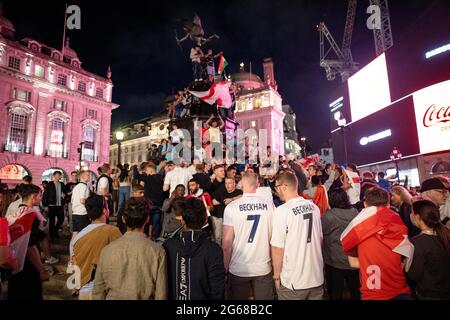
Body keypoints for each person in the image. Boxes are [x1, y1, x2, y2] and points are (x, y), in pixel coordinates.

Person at [340, 187, 414, 300]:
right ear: (388, 205)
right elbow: (404, 260)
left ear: (365, 204)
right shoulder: (399, 225)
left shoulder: (356, 231)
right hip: (399, 290)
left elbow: (353, 263)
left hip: (373, 292)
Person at [93, 198, 167, 300]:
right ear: (147, 219)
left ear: (123, 219)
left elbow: (98, 291)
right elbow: (161, 294)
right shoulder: (157, 251)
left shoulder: (107, 250)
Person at [271, 171, 324, 300]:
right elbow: (320, 239)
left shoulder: (281, 211)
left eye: (277, 187)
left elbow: (278, 248)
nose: (277, 191)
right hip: (316, 277)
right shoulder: (314, 207)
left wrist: (276, 275)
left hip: (294, 281)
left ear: (283, 187)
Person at [222, 172, 275, 300]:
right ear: (257, 184)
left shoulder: (232, 207)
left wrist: (225, 268)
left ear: (241, 185)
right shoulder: (269, 206)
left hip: (239, 266)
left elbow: (226, 244)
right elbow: (274, 238)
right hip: (263, 266)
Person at [163, 197, 225, 300]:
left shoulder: (168, 245)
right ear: (205, 220)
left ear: (182, 220)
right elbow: (218, 290)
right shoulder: (213, 249)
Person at [70, 194, 122, 300]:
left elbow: (74, 267)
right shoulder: (112, 231)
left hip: (83, 290)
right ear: (104, 210)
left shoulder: (77, 237)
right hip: (102, 291)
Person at [7, 184, 49, 300]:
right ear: (33, 197)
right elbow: (31, 246)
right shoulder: (31, 215)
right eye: (40, 196)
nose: (41, 198)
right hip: (27, 265)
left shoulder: (15, 214)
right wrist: (41, 269)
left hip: (15, 263)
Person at [322, 189, 360, 300]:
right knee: (355, 291)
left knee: (335, 293)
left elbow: (321, 233)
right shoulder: (355, 212)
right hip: (353, 259)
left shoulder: (328, 216)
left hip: (334, 261)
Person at [407, 200, 450, 300]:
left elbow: (415, 274)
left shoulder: (419, 242)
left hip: (430, 293)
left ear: (417, 217)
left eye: (412, 212)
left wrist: (406, 262)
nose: (410, 215)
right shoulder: (445, 235)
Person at [212, 177, 243, 245]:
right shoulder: (222, 192)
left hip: (234, 220)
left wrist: (231, 199)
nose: (227, 185)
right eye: (226, 183)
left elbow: (243, 196)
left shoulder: (239, 192)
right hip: (221, 219)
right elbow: (213, 201)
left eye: (230, 183)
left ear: (234, 184)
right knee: (219, 238)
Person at [42, 171, 66, 241]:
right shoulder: (50, 184)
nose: (59, 177)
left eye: (60, 175)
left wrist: (64, 196)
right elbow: (45, 195)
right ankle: (52, 236)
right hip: (51, 205)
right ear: (54, 176)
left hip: (60, 205)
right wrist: (45, 205)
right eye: (58, 175)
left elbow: (64, 193)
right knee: (52, 222)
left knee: (61, 220)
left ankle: (54, 231)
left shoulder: (62, 184)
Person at [71, 171, 92, 239]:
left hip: (75, 213)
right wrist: (91, 204)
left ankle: (72, 248)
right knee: (83, 235)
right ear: (82, 176)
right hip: (82, 214)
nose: (89, 176)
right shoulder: (83, 187)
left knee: (75, 233)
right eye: (87, 175)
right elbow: (82, 200)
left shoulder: (76, 187)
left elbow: (72, 201)